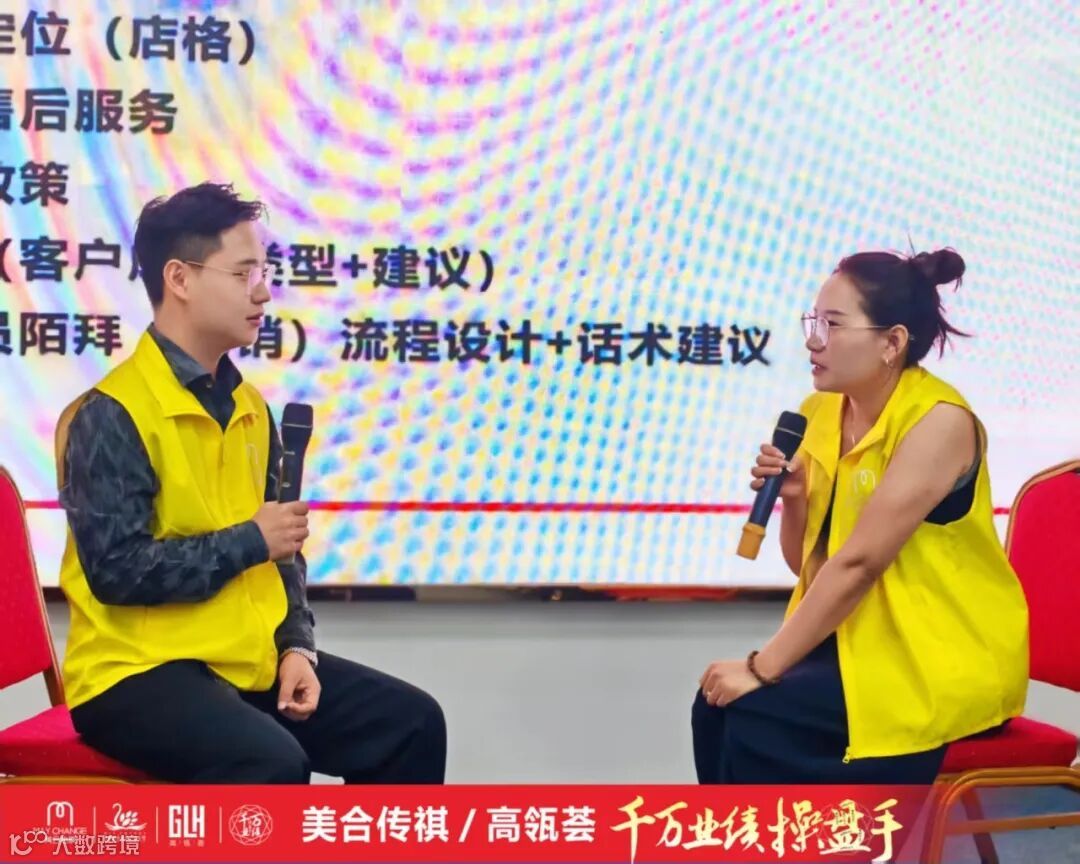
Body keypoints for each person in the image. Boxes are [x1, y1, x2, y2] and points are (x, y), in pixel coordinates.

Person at [57, 182, 446, 784]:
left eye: (263, 273)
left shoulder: (251, 408)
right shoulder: (112, 413)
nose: (263, 292)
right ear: (180, 279)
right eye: (243, 274)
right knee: (269, 759)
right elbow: (117, 572)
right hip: (134, 674)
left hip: (243, 660)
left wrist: (296, 646)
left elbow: (282, 551)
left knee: (411, 723)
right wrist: (249, 541)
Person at [692, 248, 1029, 784]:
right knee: (714, 705)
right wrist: (795, 499)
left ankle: (819, 831)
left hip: (938, 657)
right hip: (859, 644)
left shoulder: (938, 422)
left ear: (892, 342)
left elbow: (860, 565)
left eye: (832, 324)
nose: (813, 341)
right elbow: (808, 564)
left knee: (756, 712)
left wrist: (762, 667)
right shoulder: (820, 412)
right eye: (813, 322)